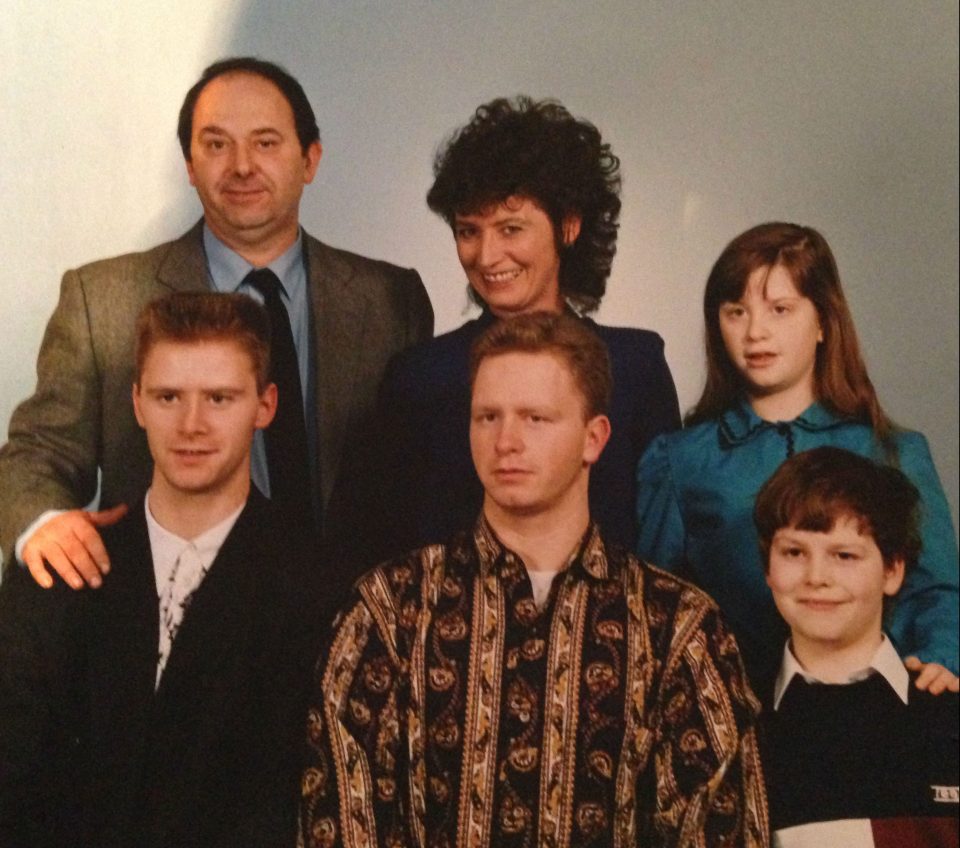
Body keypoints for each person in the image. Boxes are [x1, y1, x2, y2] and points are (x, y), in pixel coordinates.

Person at [300, 313, 767, 848]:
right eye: (487, 417)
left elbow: (719, 831)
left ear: (595, 438)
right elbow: (336, 825)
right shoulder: (388, 611)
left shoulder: (677, 628)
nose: (506, 441)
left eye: (536, 418)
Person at [0, 57, 433, 608]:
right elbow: (39, 451)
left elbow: (418, 473)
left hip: (354, 619)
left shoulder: (391, 300)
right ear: (189, 163)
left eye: (266, 142)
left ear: (310, 159)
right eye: (216, 144)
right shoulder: (100, 299)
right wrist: (41, 522)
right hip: (168, 625)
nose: (242, 166)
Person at [0, 292, 321, 847]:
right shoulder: (54, 577)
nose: (191, 424)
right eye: (168, 396)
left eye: (220, 398)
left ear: (265, 406)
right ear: (136, 402)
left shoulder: (317, 586)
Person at [354, 96, 678, 566]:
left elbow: (663, 550)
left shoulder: (634, 366)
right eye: (468, 231)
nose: (486, 257)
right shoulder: (420, 379)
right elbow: (383, 551)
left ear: (569, 226)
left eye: (510, 228)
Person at [636, 222, 959, 692]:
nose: (755, 332)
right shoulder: (680, 460)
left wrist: (938, 657)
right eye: (736, 312)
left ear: (824, 321)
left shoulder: (893, 451)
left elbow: (936, 590)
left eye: (780, 309)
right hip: (729, 707)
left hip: (875, 707)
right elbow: (652, 604)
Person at [755, 447, 959, 846]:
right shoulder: (739, 724)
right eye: (794, 552)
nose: (817, 576)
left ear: (892, 570)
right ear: (767, 568)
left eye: (844, 555)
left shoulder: (947, 716)